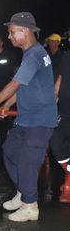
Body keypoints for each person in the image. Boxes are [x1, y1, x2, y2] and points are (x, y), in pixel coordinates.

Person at [0, 12, 58, 222]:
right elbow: (22, 87)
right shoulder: (32, 53)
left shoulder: (34, 54)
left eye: (12, 32)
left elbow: (14, 83)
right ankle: (24, 193)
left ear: (25, 31)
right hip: (26, 119)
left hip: (39, 120)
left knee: (27, 162)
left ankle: (30, 206)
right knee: (10, 150)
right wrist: (6, 105)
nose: (9, 36)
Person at [50, 47, 70, 203]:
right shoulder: (66, 56)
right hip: (63, 111)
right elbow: (60, 80)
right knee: (54, 140)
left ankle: (68, 185)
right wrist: (52, 100)